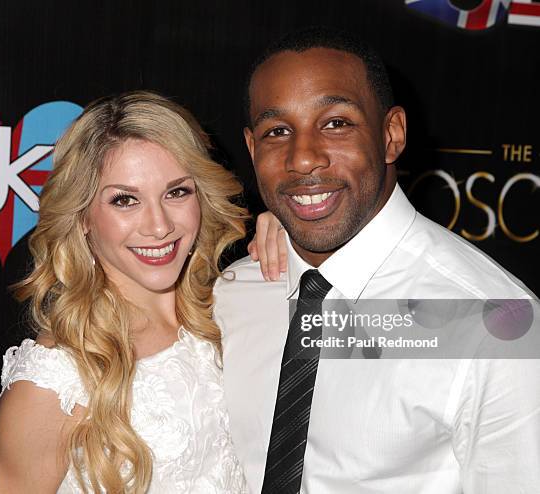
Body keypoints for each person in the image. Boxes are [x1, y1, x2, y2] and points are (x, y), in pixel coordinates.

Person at [214, 27, 540, 493]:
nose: (303, 158)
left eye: (335, 123)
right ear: (251, 148)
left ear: (391, 134)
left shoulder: (494, 322)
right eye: (277, 131)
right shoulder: (231, 294)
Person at [0, 91, 283, 493]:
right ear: (83, 217)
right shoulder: (54, 381)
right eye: (125, 200)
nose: (158, 226)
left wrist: (299, 237)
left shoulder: (232, 308)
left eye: (177, 192)